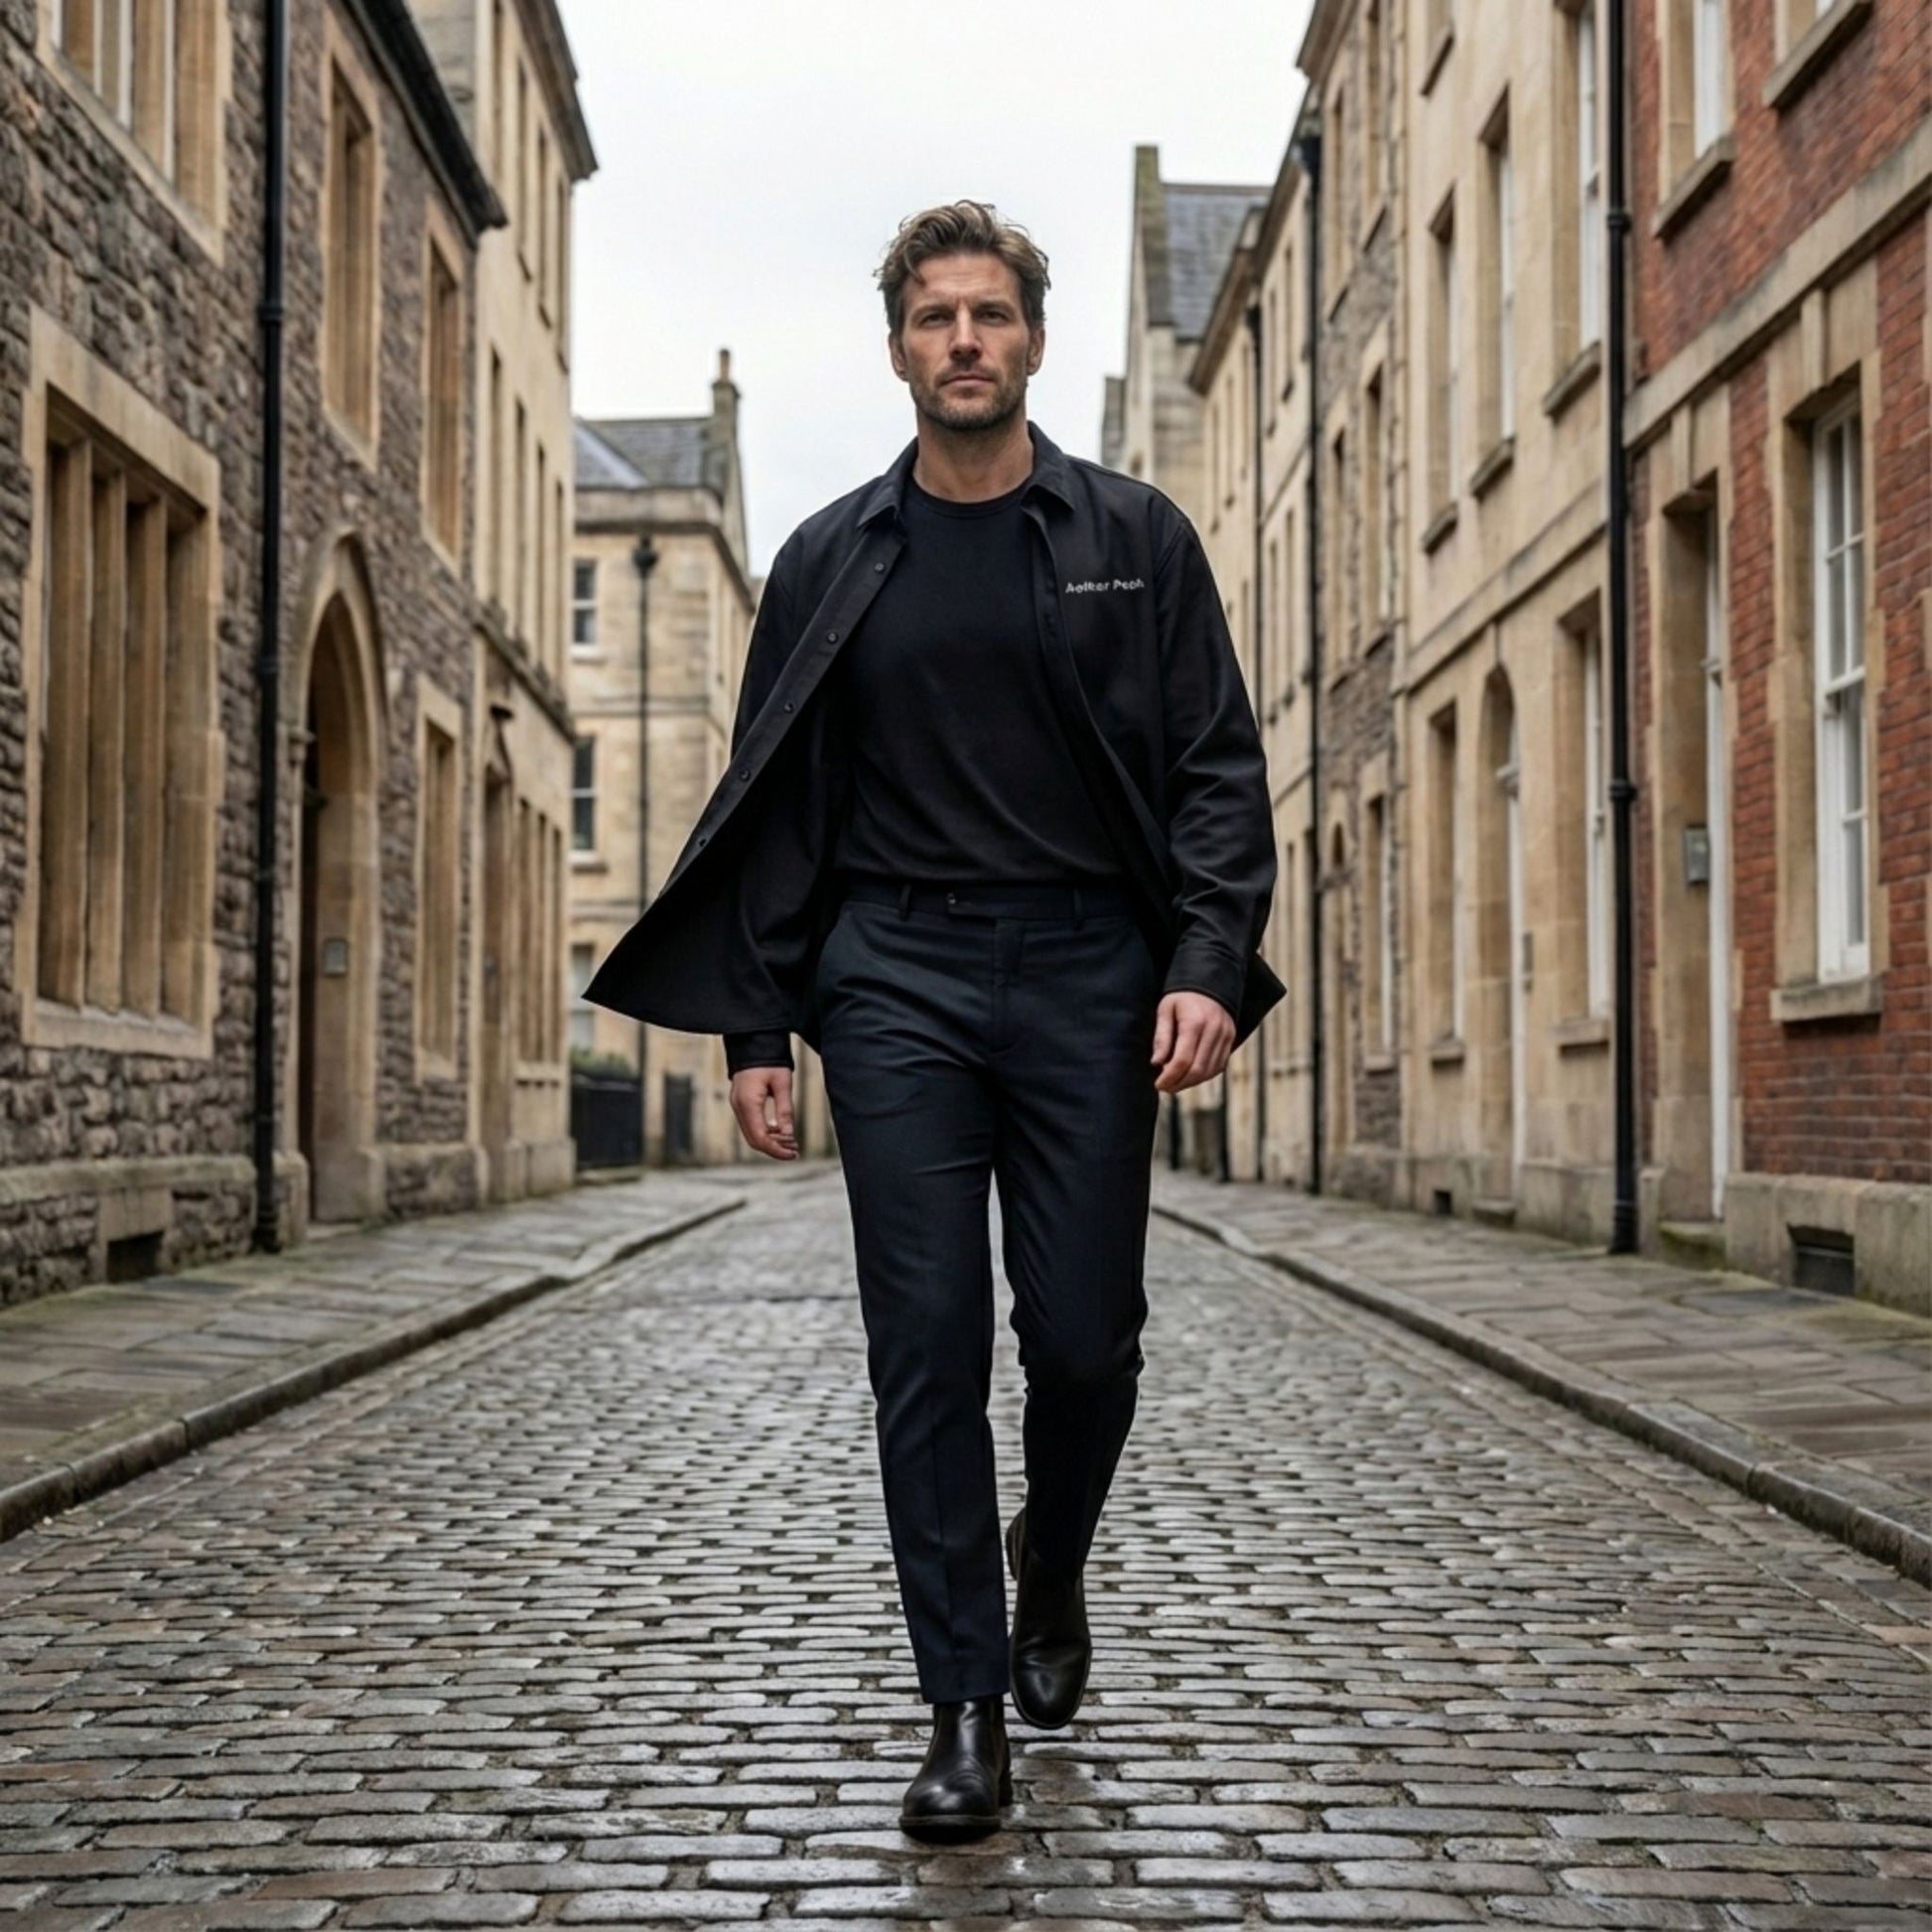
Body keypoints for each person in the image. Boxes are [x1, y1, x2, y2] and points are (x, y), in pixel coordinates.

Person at [584, 201, 1280, 1841]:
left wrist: (1203, 956)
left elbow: (1216, 772)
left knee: (1086, 1335)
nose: (962, 341)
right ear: (896, 345)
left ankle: (1054, 1559)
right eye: (933, 319)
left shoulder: (1135, 537)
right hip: (889, 981)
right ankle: (959, 1705)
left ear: (1030, 338)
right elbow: (770, 803)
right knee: (926, 1348)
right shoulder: (832, 557)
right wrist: (762, 1030)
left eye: (988, 315)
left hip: (1090, 975)